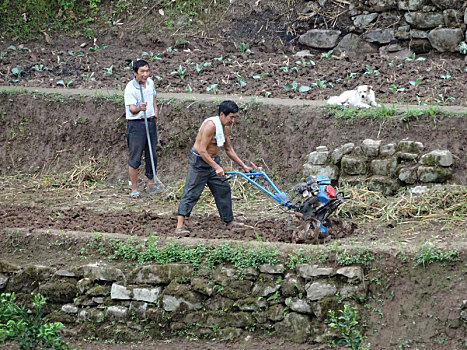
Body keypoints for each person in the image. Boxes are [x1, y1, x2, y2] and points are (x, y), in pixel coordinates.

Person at [176, 100, 252, 234]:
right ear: (222, 114)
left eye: (235, 117)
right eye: (231, 117)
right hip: (199, 163)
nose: (233, 120)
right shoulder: (210, 126)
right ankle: (179, 226)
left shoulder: (225, 128)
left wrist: (244, 166)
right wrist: (217, 167)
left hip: (212, 162)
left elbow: (229, 150)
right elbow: (202, 150)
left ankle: (228, 220)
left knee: (223, 188)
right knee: (191, 192)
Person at [124, 59, 160, 199]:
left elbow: (153, 98)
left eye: (147, 71)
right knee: (136, 156)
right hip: (136, 124)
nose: (145, 74)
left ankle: (150, 183)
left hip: (150, 122)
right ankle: (134, 188)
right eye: (142, 72)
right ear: (135, 73)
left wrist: (155, 111)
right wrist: (139, 108)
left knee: (152, 153)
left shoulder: (150, 83)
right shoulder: (130, 88)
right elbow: (132, 109)